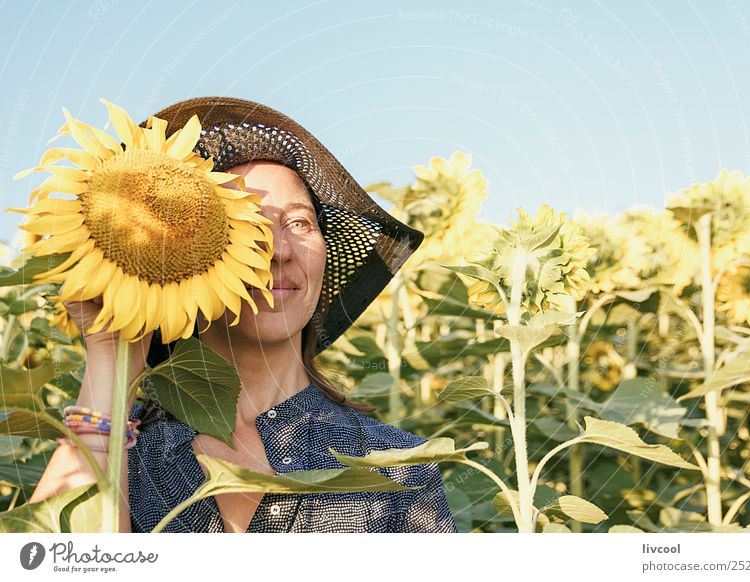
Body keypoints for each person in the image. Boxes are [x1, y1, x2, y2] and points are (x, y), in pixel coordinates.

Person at [29, 97, 459, 533]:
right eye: (247, 224)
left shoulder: (397, 467)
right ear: (188, 255)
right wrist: (110, 362)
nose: (278, 250)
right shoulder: (126, 450)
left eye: (299, 223)